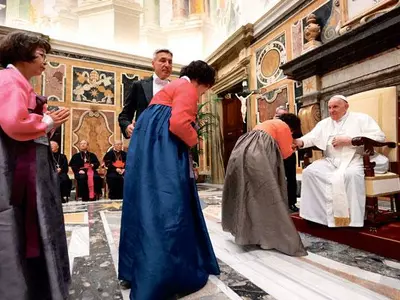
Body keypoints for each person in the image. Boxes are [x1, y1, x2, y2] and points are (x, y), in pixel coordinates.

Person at [118, 60, 220, 299]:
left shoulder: (166, 91)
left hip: (147, 151)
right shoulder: (186, 87)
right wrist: (195, 141)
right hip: (163, 153)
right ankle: (166, 273)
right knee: (170, 205)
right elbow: (178, 124)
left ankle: (136, 268)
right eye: (204, 90)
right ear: (201, 82)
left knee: (146, 204)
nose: (201, 94)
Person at [0, 31, 71, 300]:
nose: (45, 62)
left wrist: (46, 123)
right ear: (22, 54)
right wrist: (49, 122)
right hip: (18, 169)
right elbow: (14, 123)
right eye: (41, 55)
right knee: (21, 220)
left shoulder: (18, 82)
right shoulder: (8, 80)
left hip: (27, 163)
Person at [294, 95, 389, 227]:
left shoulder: (361, 118)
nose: (332, 110)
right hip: (331, 161)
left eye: (335, 107)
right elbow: (311, 137)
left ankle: (351, 220)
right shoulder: (325, 123)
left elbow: (379, 137)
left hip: (356, 159)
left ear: (346, 106)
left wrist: (350, 140)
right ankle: (318, 216)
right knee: (309, 172)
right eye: (329, 107)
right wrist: (299, 141)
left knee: (351, 175)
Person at [222, 113, 307, 257]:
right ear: (292, 127)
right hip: (258, 157)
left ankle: (247, 233)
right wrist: (293, 146)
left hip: (241, 152)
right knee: (265, 196)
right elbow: (286, 153)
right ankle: (267, 236)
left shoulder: (266, 123)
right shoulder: (284, 126)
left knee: (246, 193)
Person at [118, 49, 173, 138]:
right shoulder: (139, 85)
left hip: (169, 141)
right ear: (153, 63)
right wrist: (127, 126)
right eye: (162, 60)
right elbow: (124, 115)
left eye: (170, 62)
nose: (167, 64)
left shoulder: (176, 88)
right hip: (144, 140)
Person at [275, 106, 302, 212]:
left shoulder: (293, 124)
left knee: (291, 178)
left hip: (289, 153)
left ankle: (292, 203)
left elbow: (299, 137)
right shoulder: (274, 125)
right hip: (276, 154)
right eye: (280, 115)